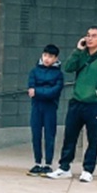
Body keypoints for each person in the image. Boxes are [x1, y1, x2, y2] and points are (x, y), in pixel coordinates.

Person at [48, 25, 97, 182]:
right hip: (76, 102)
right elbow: (68, 67)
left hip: (94, 104)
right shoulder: (82, 55)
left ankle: (88, 170)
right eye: (88, 35)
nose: (89, 38)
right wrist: (78, 50)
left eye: (94, 36)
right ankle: (64, 167)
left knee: (93, 138)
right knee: (70, 136)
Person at [26, 43, 63, 175]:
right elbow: (31, 89)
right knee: (36, 135)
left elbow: (54, 92)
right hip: (36, 107)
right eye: (45, 55)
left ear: (56, 58)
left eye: (51, 56)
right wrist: (42, 91)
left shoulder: (59, 74)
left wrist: (38, 91)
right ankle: (37, 162)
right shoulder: (34, 71)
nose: (47, 58)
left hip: (50, 107)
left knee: (49, 135)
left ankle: (48, 163)